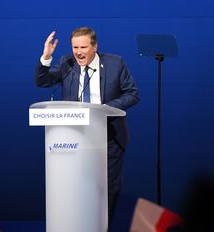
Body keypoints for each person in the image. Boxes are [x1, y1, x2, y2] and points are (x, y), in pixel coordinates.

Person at [34, 27, 139, 220]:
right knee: (78, 187)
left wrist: (104, 109)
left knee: (108, 189)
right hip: (74, 138)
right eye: (75, 47)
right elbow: (43, 82)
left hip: (109, 137)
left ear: (95, 47)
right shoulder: (66, 63)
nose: (79, 52)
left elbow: (132, 93)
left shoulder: (115, 63)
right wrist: (46, 57)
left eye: (83, 47)